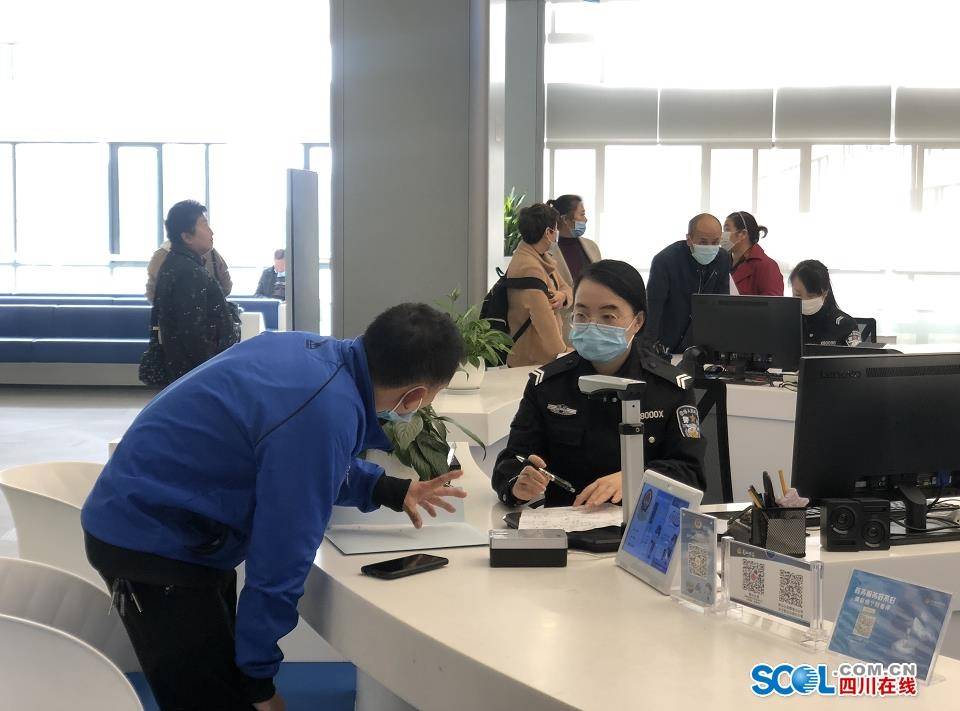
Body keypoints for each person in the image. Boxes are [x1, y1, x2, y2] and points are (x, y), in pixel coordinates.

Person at [81, 303, 469, 711]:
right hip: (150, 539)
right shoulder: (324, 410)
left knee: (220, 672)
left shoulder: (316, 359)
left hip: (179, 521)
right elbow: (281, 555)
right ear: (415, 396)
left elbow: (301, 459)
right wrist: (259, 682)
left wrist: (387, 489)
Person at [492, 259, 706, 508]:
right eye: (581, 314)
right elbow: (512, 461)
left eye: (608, 316)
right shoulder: (548, 385)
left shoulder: (669, 388)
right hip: (566, 521)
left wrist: (636, 478)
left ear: (637, 321)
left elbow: (690, 473)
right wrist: (519, 484)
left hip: (640, 521)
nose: (592, 325)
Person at [153, 200, 241, 384]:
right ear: (187, 237)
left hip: (190, 372)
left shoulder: (179, 264)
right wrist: (211, 373)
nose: (211, 232)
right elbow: (193, 334)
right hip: (198, 375)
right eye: (204, 225)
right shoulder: (188, 272)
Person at [645, 213, 738, 354]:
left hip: (699, 345)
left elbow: (722, 306)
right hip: (665, 342)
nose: (710, 247)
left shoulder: (723, 259)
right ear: (689, 239)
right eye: (703, 242)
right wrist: (647, 351)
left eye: (715, 242)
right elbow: (653, 308)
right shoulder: (665, 261)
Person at [504, 203, 574, 367]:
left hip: (541, 356)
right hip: (531, 360)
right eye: (555, 229)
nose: (557, 233)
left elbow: (567, 288)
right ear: (548, 232)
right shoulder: (528, 267)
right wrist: (563, 352)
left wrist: (563, 296)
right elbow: (543, 318)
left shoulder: (542, 259)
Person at [546, 194, 601, 340]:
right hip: (563, 324)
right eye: (581, 214)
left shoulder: (591, 246)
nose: (585, 219)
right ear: (565, 219)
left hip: (593, 322)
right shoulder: (547, 252)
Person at [789, 259, 861, 346]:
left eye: (811, 295)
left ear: (825, 293)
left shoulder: (845, 325)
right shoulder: (784, 321)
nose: (804, 300)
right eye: (797, 295)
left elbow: (857, 353)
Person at [146, 234, 232, 304]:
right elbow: (226, 286)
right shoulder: (211, 253)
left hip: (172, 317)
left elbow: (152, 293)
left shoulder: (160, 256)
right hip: (208, 315)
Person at [722, 211, 784, 296]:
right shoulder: (723, 262)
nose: (721, 235)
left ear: (743, 234)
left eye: (726, 230)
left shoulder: (767, 266)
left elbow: (773, 302)